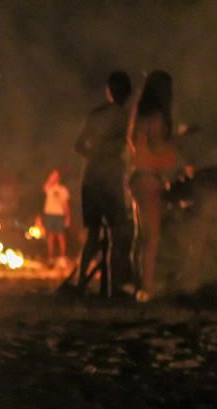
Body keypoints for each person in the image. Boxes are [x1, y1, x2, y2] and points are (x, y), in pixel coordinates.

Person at [73, 71, 133, 296]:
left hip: (90, 179)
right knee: (118, 232)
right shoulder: (128, 118)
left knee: (92, 234)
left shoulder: (96, 115)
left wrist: (95, 155)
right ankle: (115, 285)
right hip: (109, 179)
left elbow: (78, 145)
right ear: (127, 94)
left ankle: (81, 283)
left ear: (108, 92)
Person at [128, 71, 177, 302]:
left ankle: (137, 282)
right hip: (149, 180)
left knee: (141, 236)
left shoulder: (138, 117)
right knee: (153, 237)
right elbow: (159, 152)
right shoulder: (157, 118)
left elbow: (138, 148)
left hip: (137, 179)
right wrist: (176, 148)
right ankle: (146, 287)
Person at [41, 169, 71, 264]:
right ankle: (51, 258)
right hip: (49, 214)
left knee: (61, 236)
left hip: (59, 214)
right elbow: (44, 187)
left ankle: (62, 258)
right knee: (50, 236)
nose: (54, 176)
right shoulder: (49, 188)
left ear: (59, 178)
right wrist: (51, 178)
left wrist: (67, 217)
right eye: (52, 175)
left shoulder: (63, 190)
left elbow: (66, 204)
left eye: (56, 175)